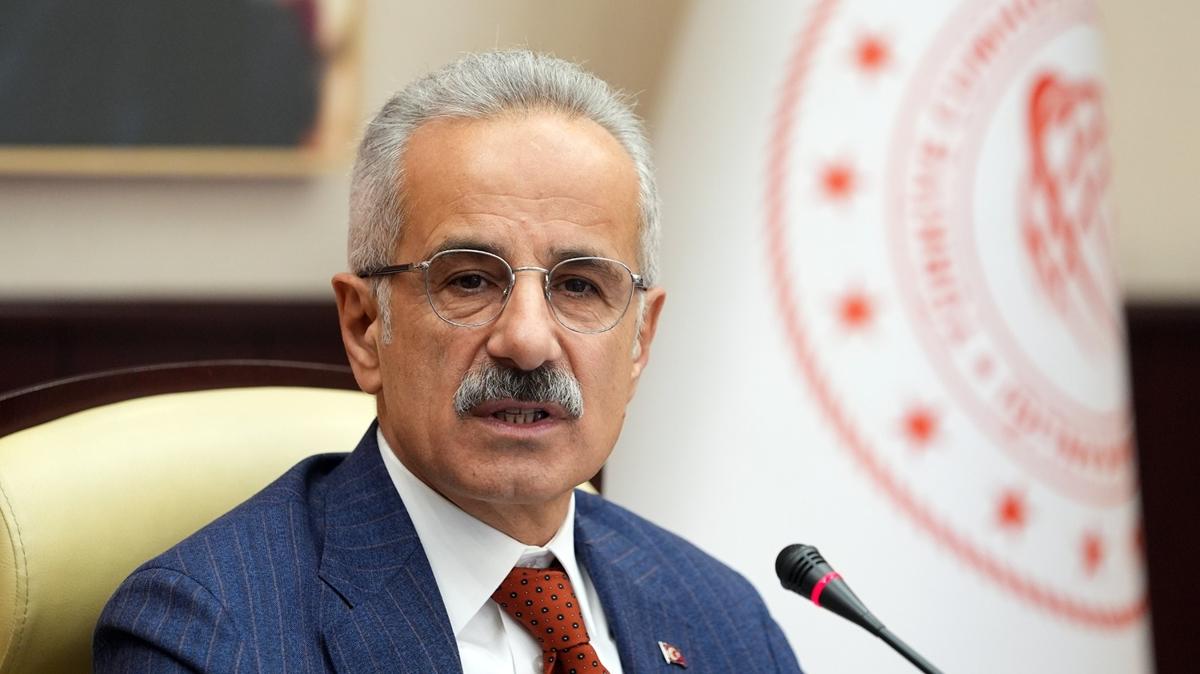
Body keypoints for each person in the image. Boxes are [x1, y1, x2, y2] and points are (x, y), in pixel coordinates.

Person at [94, 50, 802, 673]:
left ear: (640, 339)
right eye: (470, 280)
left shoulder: (725, 619)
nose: (527, 340)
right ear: (365, 326)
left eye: (580, 286)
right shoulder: (205, 637)